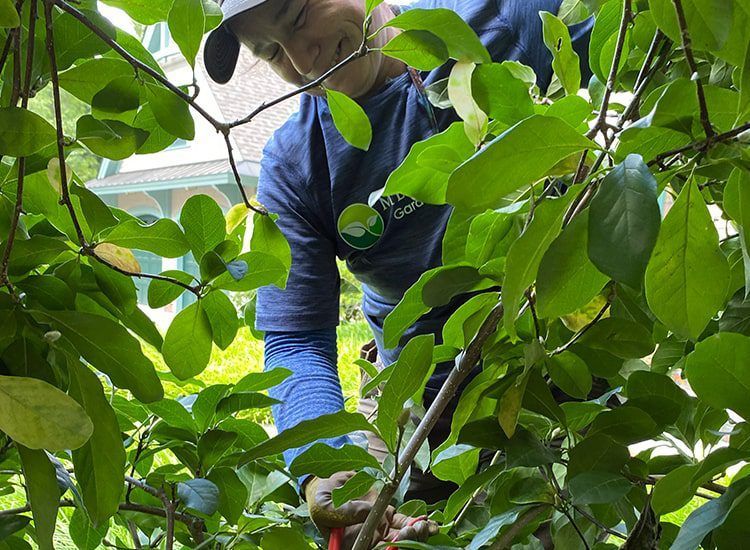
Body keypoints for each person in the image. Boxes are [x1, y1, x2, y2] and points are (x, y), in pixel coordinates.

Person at [204, 0, 592, 546]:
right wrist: (320, 469)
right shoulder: (296, 163)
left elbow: (644, 42)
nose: (301, 60)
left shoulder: (495, 23)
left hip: (560, 365)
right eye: (270, 52)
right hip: (421, 402)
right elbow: (296, 338)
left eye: (295, 18)